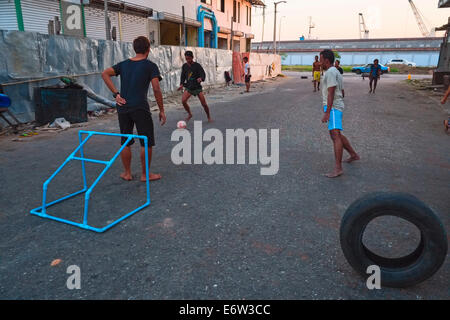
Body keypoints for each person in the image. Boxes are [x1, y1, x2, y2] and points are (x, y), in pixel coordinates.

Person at [102, 36, 166, 182]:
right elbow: (156, 88)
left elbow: (104, 73)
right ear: (148, 49)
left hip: (123, 106)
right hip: (140, 107)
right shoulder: (150, 66)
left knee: (125, 140)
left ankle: (127, 173)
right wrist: (161, 110)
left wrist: (116, 94)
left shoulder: (124, 64)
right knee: (146, 140)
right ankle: (145, 174)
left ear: (134, 48)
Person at [320, 49, 359, 178]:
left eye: (321, 59)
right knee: (337, 134)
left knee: (335, 136)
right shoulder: (336, 71)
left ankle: (338, 168)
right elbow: (342, 92)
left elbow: (331, 92)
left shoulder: (331, 72)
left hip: (333, 108)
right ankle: (353, 154)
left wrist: (327, 112)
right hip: (335, 106)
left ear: (326, 60)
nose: (319, 62)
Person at [178, 51, 213, 122]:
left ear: (192, 57)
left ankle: (209, 117)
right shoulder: (184, 66)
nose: (187, 60)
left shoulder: (197, 65)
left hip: (197, 87)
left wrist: (201, 78)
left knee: (204, 104)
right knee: (183, 101)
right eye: (186, 59)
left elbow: (203, 74)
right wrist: (181, 84)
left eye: (189, 58)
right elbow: (183, 76)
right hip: (189, 86)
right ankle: (190, 114)